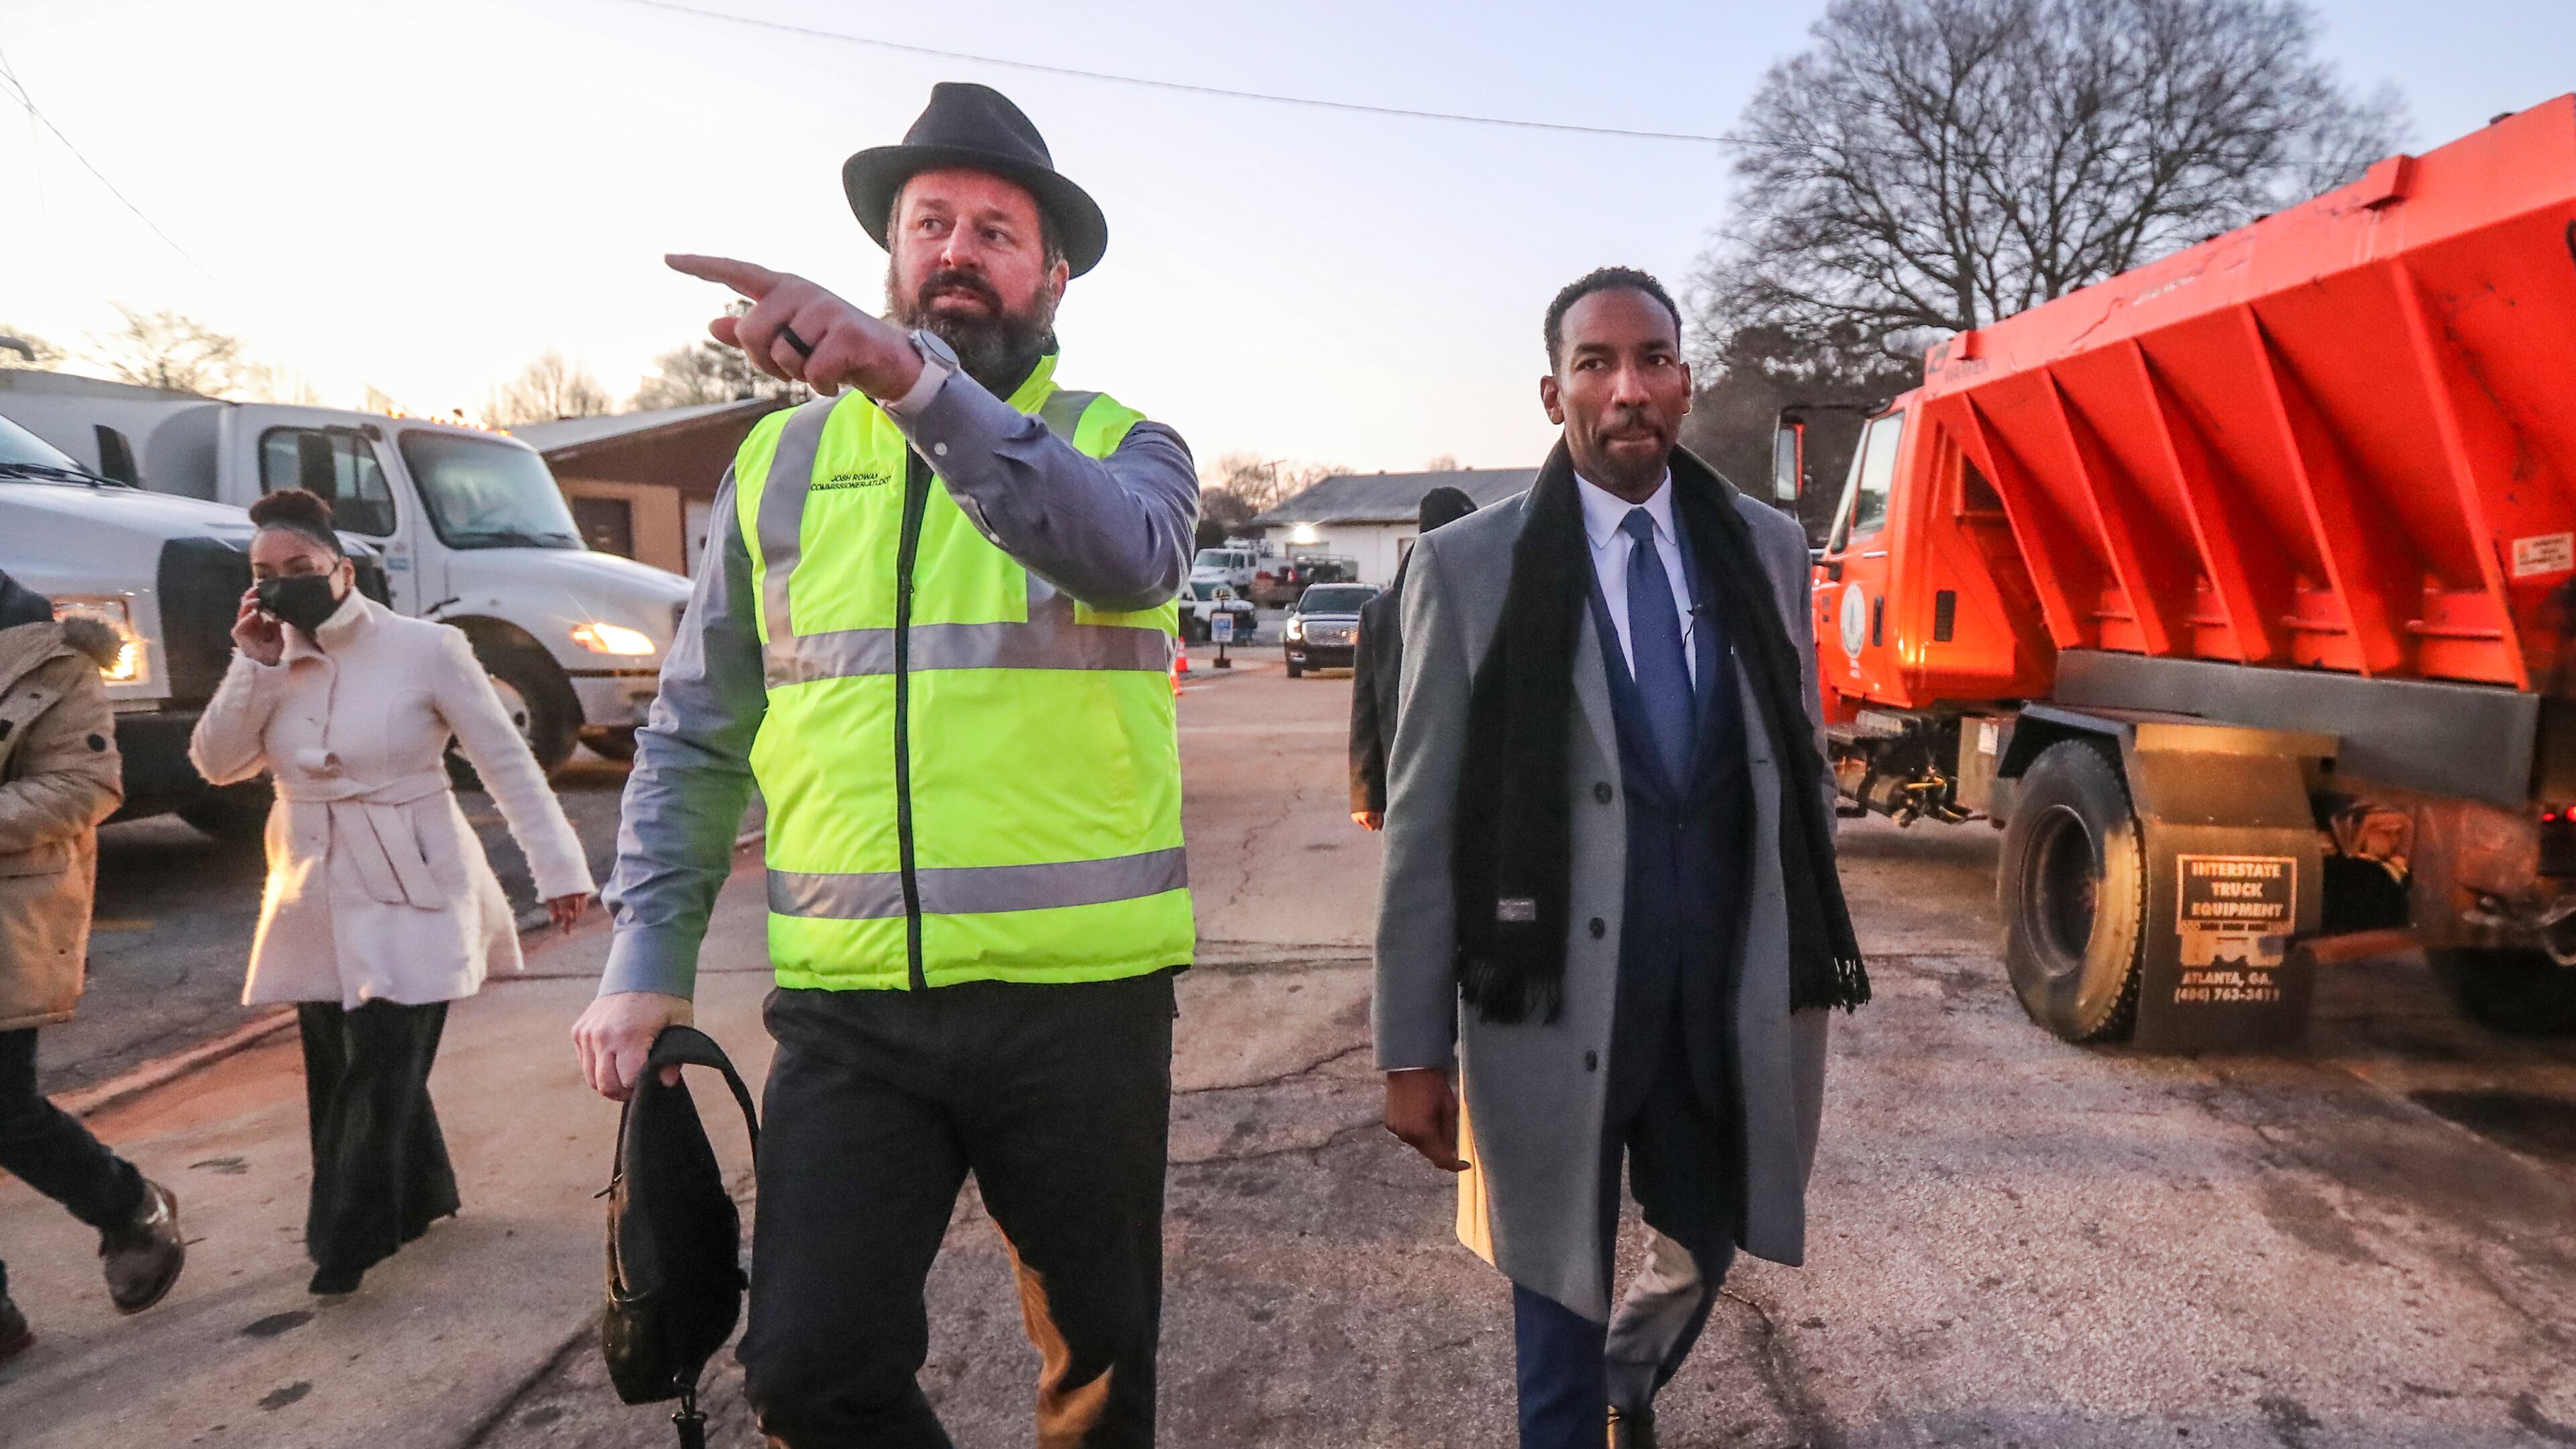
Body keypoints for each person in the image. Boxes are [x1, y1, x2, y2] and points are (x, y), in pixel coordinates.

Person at [571, 81, 1197, 1448]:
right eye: (931, 224)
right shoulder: (779, 462)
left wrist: (917, 390)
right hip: (855, 1016)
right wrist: (645, 957)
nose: (958, 249)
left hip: (1080, 1008)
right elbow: (694, 729)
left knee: (1100, 1380)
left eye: (995, 228)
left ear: (1054, 275)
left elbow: (1126, 556)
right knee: (803, 1371)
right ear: (893, 258)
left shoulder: (1123, 447)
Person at [1373, 268, 1868, 1449]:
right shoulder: (1469, 569)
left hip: (1719, 1004)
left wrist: (1800, 948)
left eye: (1652, 360)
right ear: (1554, 394)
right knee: (1554, 1299)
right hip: (1549, 1003)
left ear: (1686, 385)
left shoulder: (1762, 546)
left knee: (1702, 1251)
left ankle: (1628, 1380)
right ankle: (1574, 1407)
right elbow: (1424, 817)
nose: (1628, 388)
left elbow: (1794, 769)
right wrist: (1409, 1048)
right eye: (1597, 364)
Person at [190, 490, 594, 1297]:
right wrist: (254, 663)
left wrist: (560, 871)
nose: (279, 584)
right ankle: (420, 1196)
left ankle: (344, 1237)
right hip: (311, 890)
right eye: (262, 573)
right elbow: (215, 764)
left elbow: (506, 765)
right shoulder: (268, 659)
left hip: (418, 879)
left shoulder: (428, 649)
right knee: (339, 1059)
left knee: (381, 1060)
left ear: (341, 569)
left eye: (297, 568)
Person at [0, 572, 187, 1360]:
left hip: (5, 918)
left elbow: (87, 785)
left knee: (5, 1112)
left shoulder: (48, 660)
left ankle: (129, 1207)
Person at [1348, 486, 1477, 830]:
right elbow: (1366, 704)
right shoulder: (1382, 612)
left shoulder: (1489, 600)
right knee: (1412, 880)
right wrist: (1366, 793)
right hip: (1406, 777)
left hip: (1479, 781)